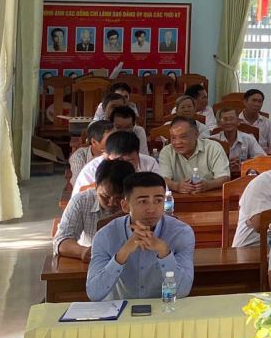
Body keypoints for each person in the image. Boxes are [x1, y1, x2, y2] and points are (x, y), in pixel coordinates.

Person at [85, 170, 196, 301]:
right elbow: (94, 293)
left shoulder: (181, 233)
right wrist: (123, 253)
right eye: (143, 201)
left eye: (158, 200)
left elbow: (183, 291)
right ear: (125, 206)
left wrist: (164, 252)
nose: (151, 209)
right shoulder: (105, 235)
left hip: (165, 308)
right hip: (121, 310)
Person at [53, 159, 129, 259]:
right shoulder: (81, 201)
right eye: (105, 196)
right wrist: (82, 251)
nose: (112, 203)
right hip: (90, 263)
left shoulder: (140, 203)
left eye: (119, 198)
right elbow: (61, 240)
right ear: (96, 186)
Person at [158, 116, 232, 191]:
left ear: (196, 135)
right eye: (173, 138)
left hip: (209, 195)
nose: (177, 142)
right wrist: (176, 186)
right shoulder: (167, 151)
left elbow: (225, 177)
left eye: (183, 137)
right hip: (178, 197)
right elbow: (163, 179)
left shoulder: (213, 147)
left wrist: (208, 185)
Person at [73, 128, 158, 191]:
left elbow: (160, 192)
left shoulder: (150, 163)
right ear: (106, 156)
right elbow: (79, 198)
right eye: (119, 160)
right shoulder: (92, 169)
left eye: (130, 161)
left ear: (138, 155)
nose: (124, 166)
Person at [69, 120, 109, 186]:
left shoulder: (117, 154)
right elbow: (78, 184)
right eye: (110, 139)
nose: (115, 141)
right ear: (94, 142)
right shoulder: (79, 156)